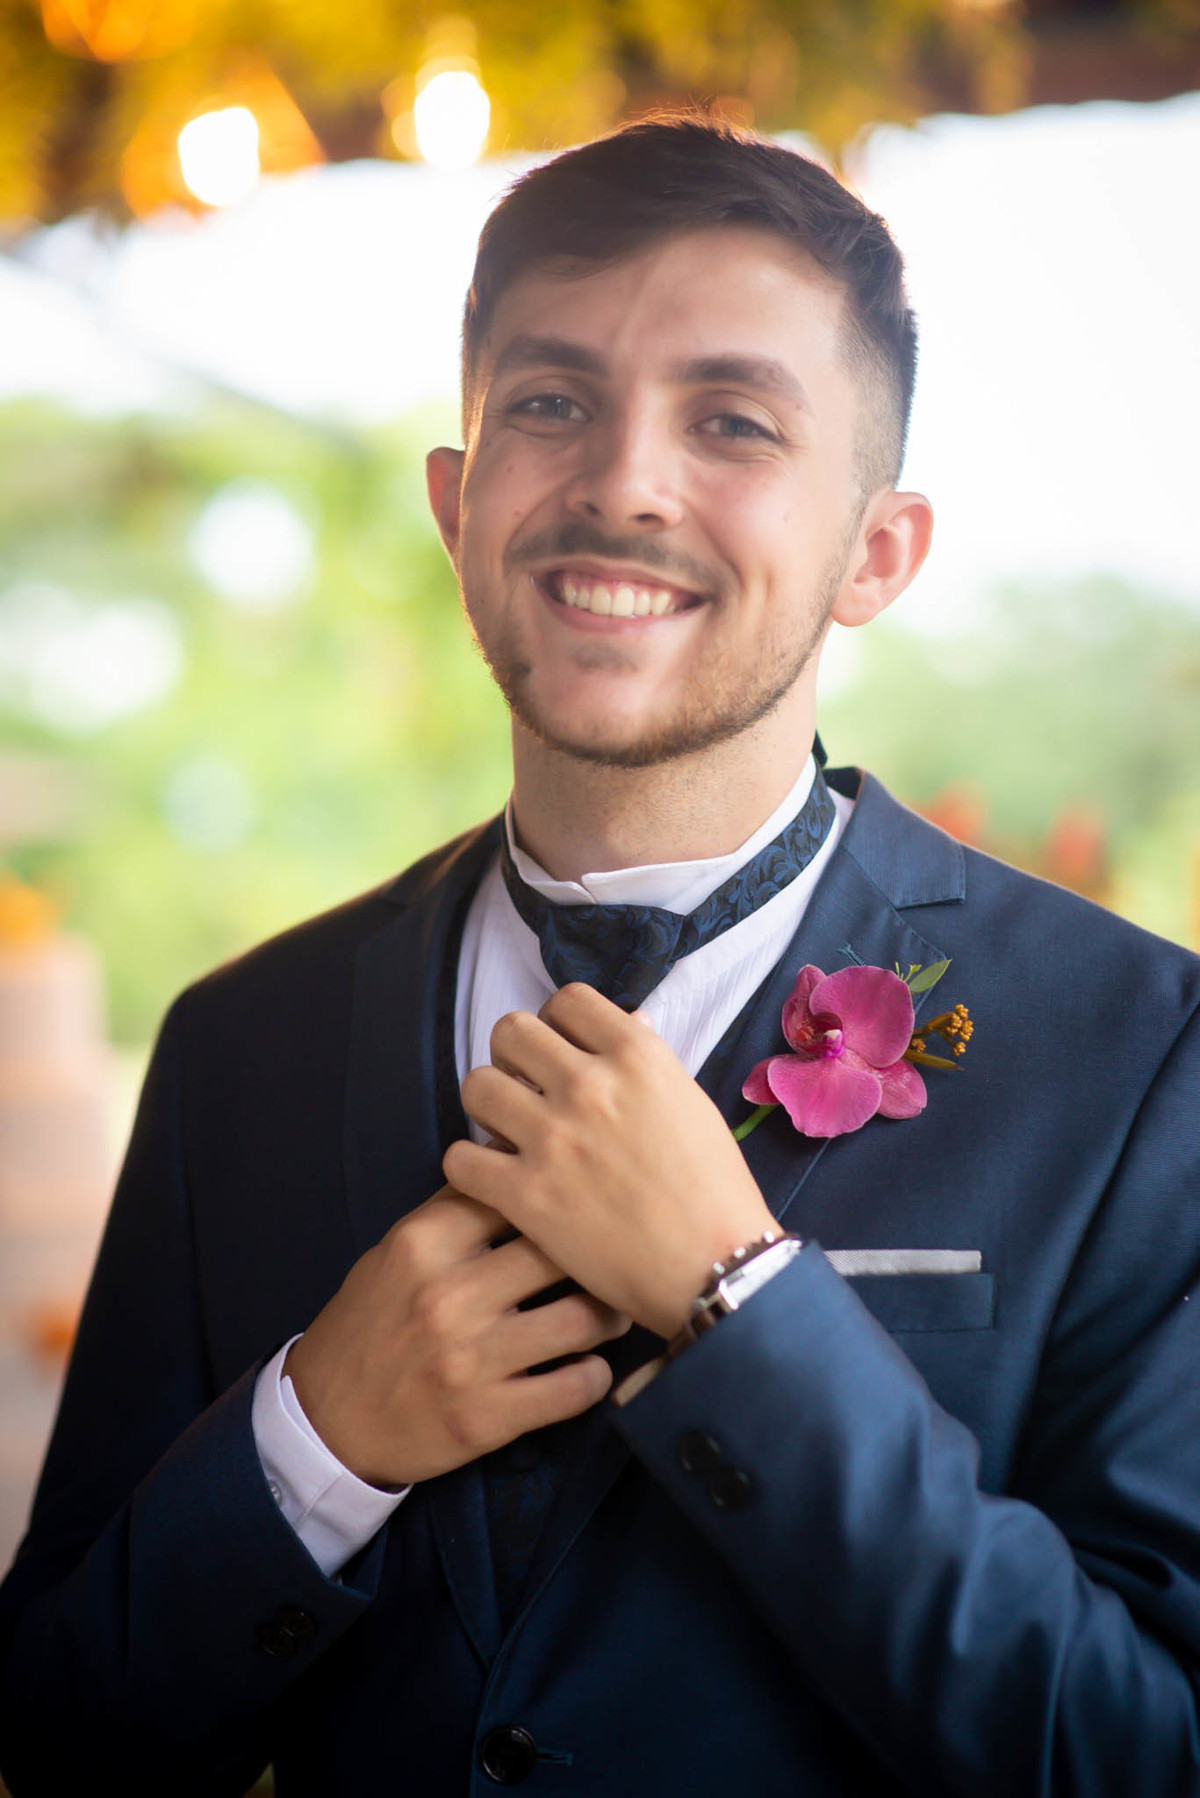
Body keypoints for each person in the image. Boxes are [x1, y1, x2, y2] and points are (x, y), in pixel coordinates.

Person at [1, 115, 1198, 1798]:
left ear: (877, 553)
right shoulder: (237, 1047)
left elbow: (1147, 1754)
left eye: (732, 421)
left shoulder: (1143, 1053)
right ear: (456, 500)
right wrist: (314, 1441)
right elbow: (58, 1740)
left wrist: (738, 1298)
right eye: (553, 404)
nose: (624, 483)